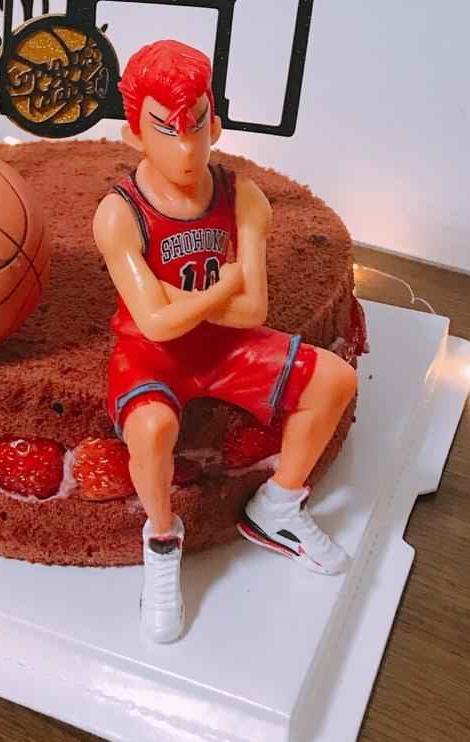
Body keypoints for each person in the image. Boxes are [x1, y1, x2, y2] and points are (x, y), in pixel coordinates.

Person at [93, 40, 358, 644]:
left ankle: (278, 507)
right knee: (152, 428)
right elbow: (155, 326)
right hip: (152, 355)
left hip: (226, 347)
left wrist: (181, 298)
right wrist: (224, 285)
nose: (186, 147)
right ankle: (163, 538)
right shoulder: (118, 214)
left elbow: (253, 309)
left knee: (335, 379)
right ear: (134, 134)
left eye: (196, 125)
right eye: (166, 129)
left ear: (214, 122)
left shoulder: (245, 197)